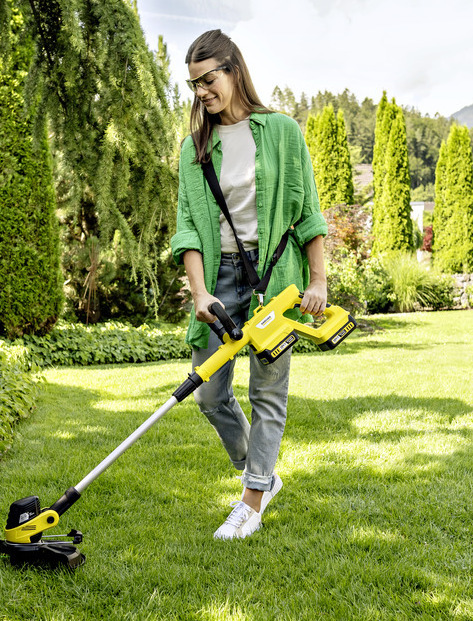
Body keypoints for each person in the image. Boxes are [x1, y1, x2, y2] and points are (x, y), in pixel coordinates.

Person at [170, 29, 328, 540]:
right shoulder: (195, 147)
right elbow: (188, 228)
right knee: (210, 394)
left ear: (234, 70)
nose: (201, 92)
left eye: (208, 79)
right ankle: (259, 471)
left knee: (268, 392)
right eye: (193, 84)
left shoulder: (281, 132)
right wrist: (200, 293)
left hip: (275, 277)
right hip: (220, 280)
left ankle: (252, 500)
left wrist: (319, 279)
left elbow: (307, 214)